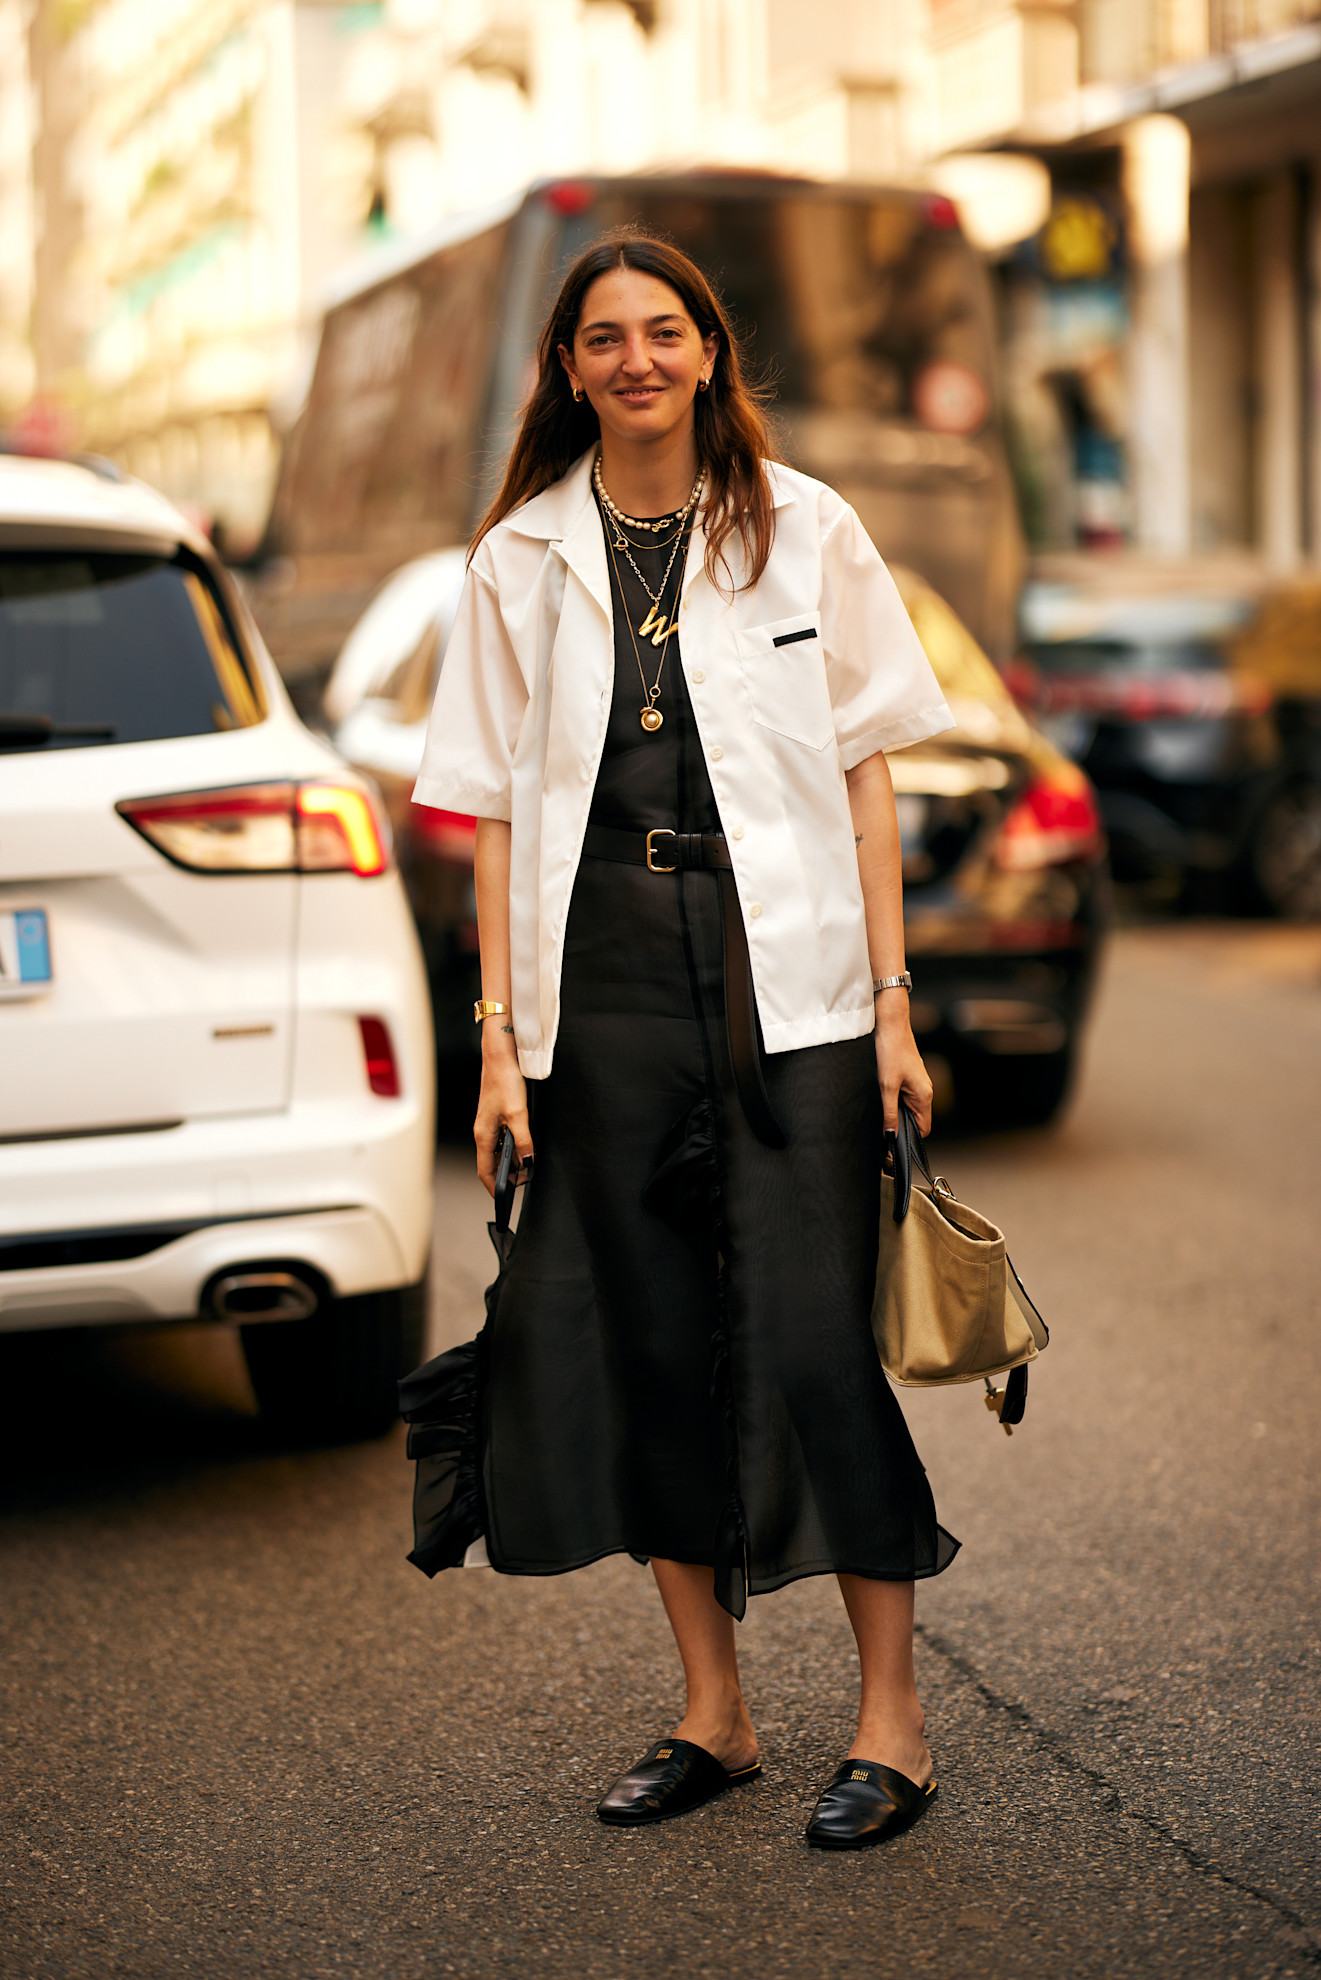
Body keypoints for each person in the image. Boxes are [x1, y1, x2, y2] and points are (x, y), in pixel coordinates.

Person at [412, 230, 959, 1851]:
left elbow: (865, 781)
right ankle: (712, 1713)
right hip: (605, 988)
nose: (636, 359)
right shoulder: (517, 560)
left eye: (666, 332)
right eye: (605, 338)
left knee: (808, 1337)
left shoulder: (809, 532)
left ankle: (891, 1724)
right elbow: (496, 817)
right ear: (568, 369)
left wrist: (893, 1004)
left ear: (709, 352)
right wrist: (502, 1043)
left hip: (782, 978)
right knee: (646, 1338)